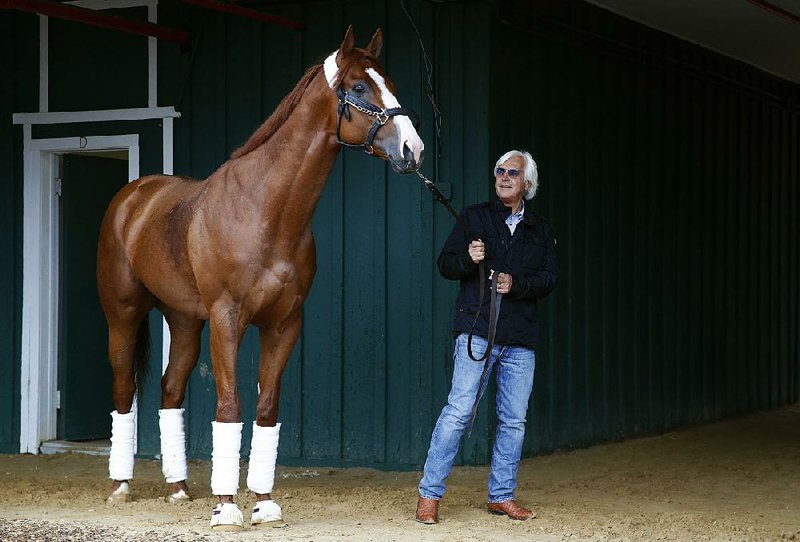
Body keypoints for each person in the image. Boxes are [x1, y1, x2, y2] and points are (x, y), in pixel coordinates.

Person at [415, 150, 558, 524]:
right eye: (499, 171)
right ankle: (429, 495)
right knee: (459, 412)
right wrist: (468, 257)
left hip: (519, 337)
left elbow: (549, 279)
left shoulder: (540, 230)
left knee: (513, 420)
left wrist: (518, 284)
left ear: (527, 184)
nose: (504, 176)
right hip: (477, 331)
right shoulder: (474, 217)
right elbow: (446, 264)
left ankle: (501, 496)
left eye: (513, 172)